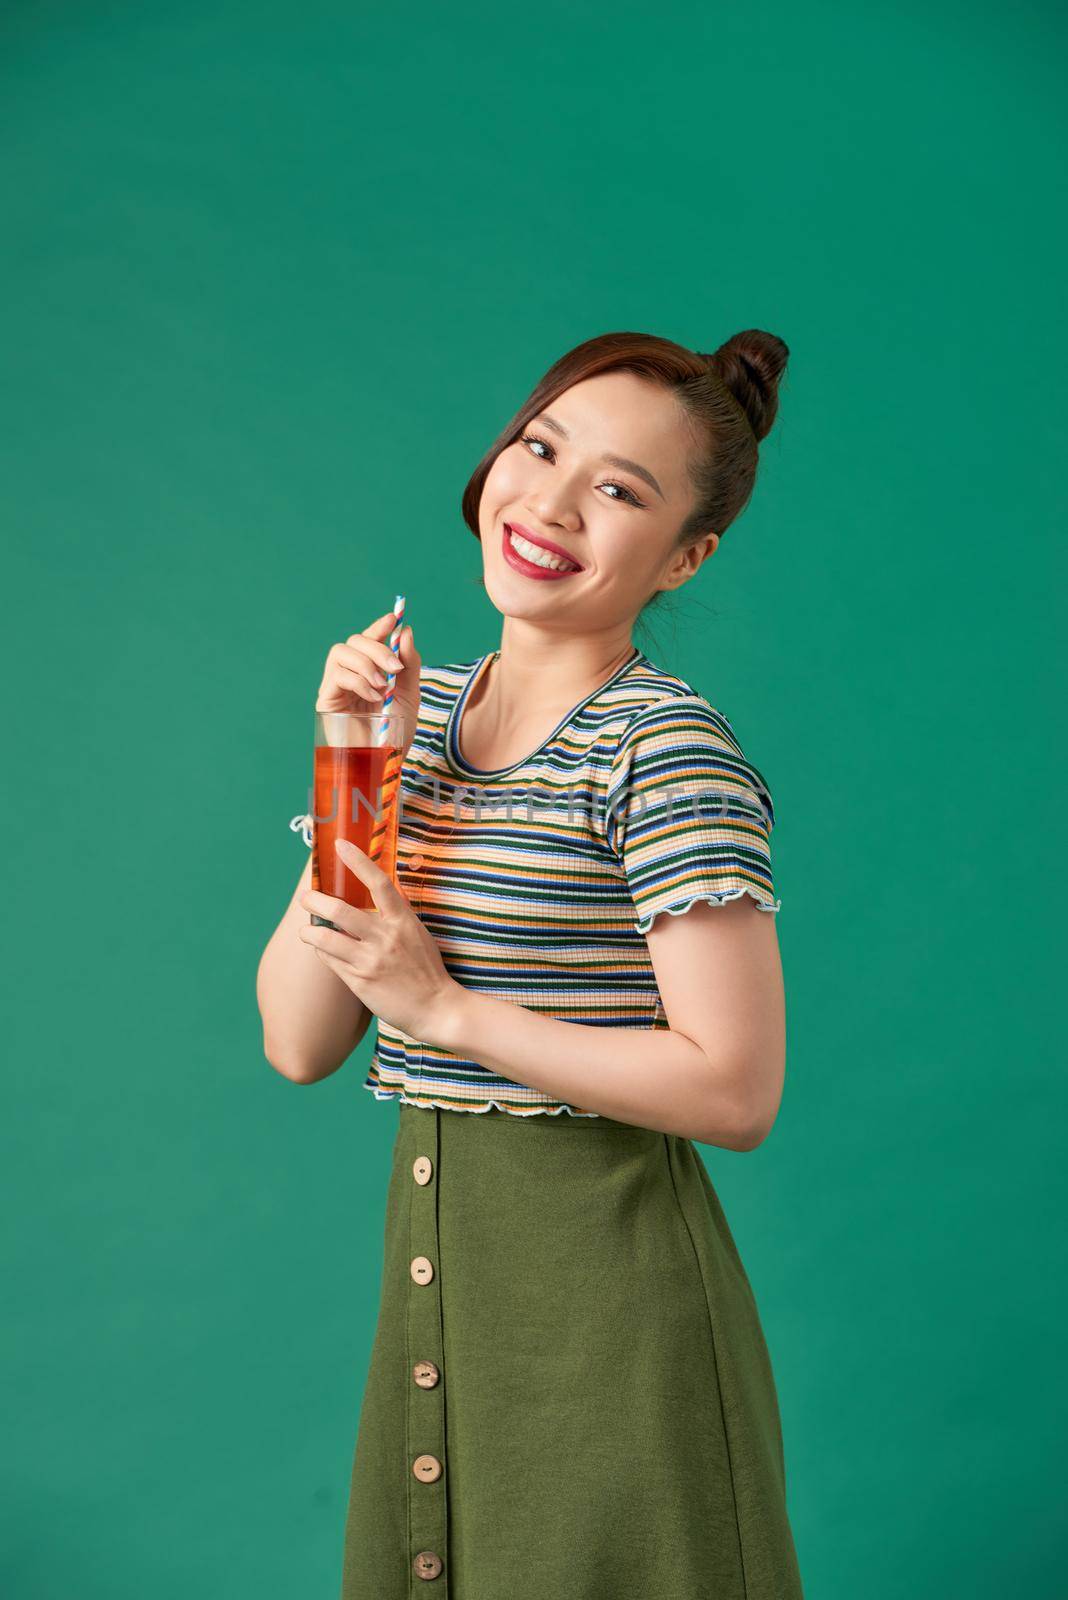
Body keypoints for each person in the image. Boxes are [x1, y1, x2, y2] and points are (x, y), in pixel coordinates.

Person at [256, 328, 804, 1598]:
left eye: (620, 489)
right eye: (541, 447)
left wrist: (447, 1010)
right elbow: (300, 1040)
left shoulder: (665, 749)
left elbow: (737, 1090)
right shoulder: (420, 714)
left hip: (608, 1316)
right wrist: (356, 772)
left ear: (685, 557)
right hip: (444, 1304)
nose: (550, 503)